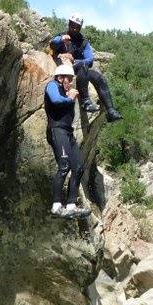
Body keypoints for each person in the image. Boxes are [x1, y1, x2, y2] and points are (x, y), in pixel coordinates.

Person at [49, 13, 123, 122]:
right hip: (62, 68)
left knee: (98, 77)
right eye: (72, 25)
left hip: (78, 68)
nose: (74, 29)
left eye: (77, 27)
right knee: (83, 66)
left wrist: (75, 60)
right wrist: (61, 39)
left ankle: (111, 111)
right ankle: (85, 101)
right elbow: (52, 44)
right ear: (69, 24)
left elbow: (90, 60)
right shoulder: (61, 36)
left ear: (80, 28)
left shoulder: (83, 41)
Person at [45, 64, 91, 218]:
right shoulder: (52, 85)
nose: (70, 82)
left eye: (72, 79)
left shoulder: (66, 91)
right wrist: (70, 97)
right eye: (68, 79)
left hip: (68, 133)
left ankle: (71, 205)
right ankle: (56, 206)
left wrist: (70, 96)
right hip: (57, 130)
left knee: (78, 167)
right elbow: (56, 100)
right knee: (64, 166)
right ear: (60, 78)